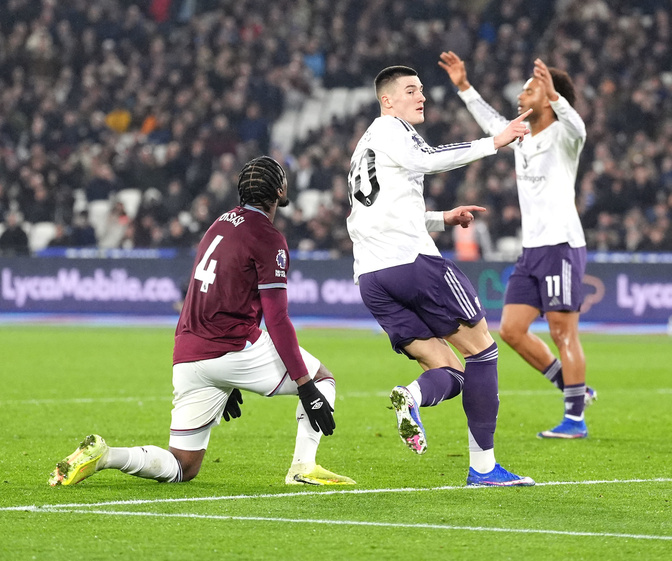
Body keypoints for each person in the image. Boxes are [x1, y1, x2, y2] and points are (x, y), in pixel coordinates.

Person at [49, 156, 352, 487]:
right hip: (232, 347)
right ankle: (302, 467)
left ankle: (107, 455)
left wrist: (228, 380)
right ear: (280, 190)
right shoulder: (268, 237)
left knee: (183, 466)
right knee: (323, 379)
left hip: (189, 353)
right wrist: (305, 385)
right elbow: (277, 319)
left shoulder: (219, 223)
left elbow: (203, 294)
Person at [347, 65, 534, 487]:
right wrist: (494, 142)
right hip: (413, 265)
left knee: (450, 370)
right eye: (411, 91)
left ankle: (411, 396)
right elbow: (425, 159)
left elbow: (377, 211)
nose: (422, 97)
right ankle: (483, 468)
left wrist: (440, 219)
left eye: (423, 91)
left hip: (372, 278)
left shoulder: (365, 147)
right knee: (482, 352)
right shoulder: (394, 130)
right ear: (387, 100)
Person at [440, 51, 595, 440]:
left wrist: (555, 95)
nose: (521, 95)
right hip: (532, 250)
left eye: (530, 89)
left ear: (548, 97)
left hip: (561, 245)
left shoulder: (564, 135)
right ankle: (573, 389)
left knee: (563, 333)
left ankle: (574, 419)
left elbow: (580, 126)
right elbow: (492, 123)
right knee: (510, 330)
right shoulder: (522, 137)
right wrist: (463, 85)